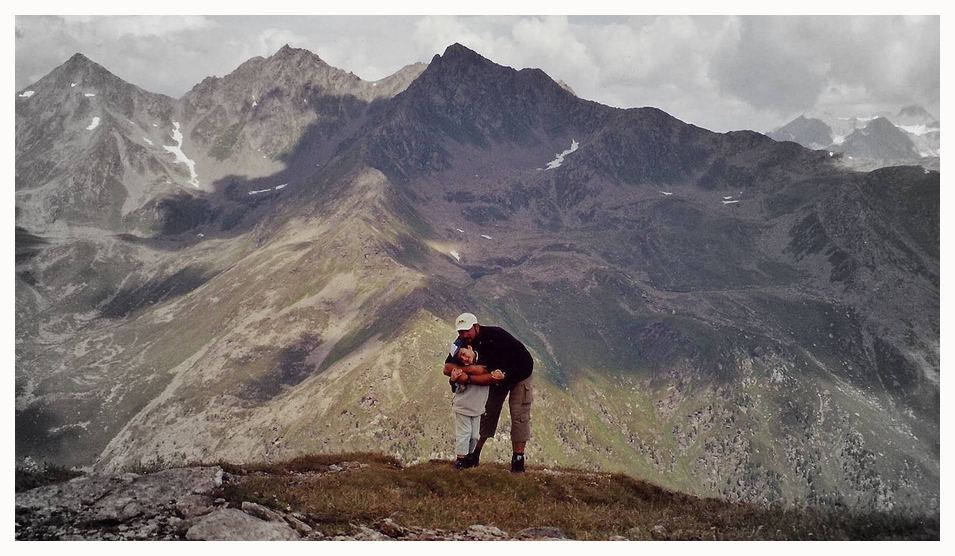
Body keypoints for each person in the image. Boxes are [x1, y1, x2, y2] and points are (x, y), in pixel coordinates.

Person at [444, 312, 534, 472]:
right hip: (495, 375)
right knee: (486, 411)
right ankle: (474, 455)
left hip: (519, 373)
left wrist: (468, 378)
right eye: (460, 332)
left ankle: (518, 461)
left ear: (476, 327)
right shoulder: (461, 344)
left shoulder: (497, 337)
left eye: (467, 330)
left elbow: (493, 378)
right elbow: (447, 367)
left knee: (519, 415)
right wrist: (472, 368)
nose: (464, 334)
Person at [447, 344, 504, 469]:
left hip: (478, 408)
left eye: (463, 354)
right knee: (465, 433)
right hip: (463, 407)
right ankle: (461, 459)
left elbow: (496, 376)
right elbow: (457, 388)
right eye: (460, 359)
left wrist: (500, 374)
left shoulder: (485, 364)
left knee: (474, 435)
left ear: (469, 348)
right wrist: (453, 380)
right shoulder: (462, 372)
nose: (465, 359)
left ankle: (469, 456)